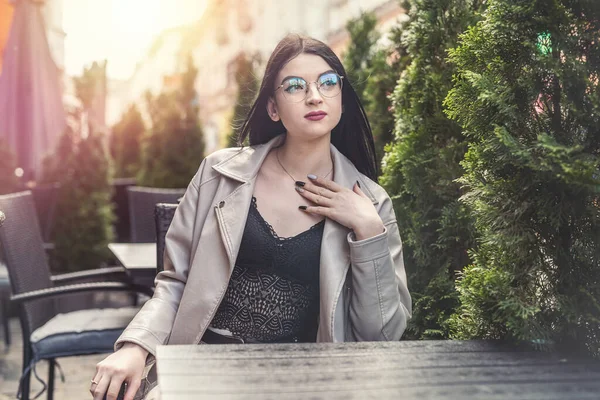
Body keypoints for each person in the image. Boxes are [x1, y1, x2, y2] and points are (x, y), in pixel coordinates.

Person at [91, 33, 412, 400]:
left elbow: (382, 337)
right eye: (295, 86)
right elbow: (175, 282)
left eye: (327, 83)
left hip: (303, 384)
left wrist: (368, 230)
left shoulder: (371, 203)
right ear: (273, 108)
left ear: (341, 99)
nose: (314, 96)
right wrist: (136, 345)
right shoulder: (219, 174)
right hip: (204, 371)